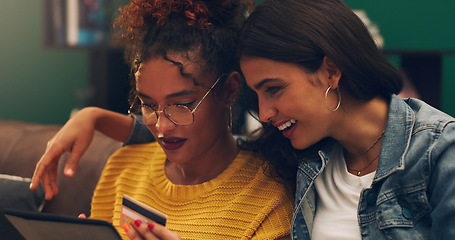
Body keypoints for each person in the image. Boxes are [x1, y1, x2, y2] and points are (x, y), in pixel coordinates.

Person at [31, 0, 294, 239]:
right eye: (148, 104)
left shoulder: (268, 198)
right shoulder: (123, 168)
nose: (162, 126)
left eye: (181, 105)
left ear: (229, 91)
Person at [237, 0, 455, 239]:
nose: (264, 113)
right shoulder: (298, 159)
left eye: (273, 89)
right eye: (256, 95)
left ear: (331, 71)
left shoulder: (441, 153)